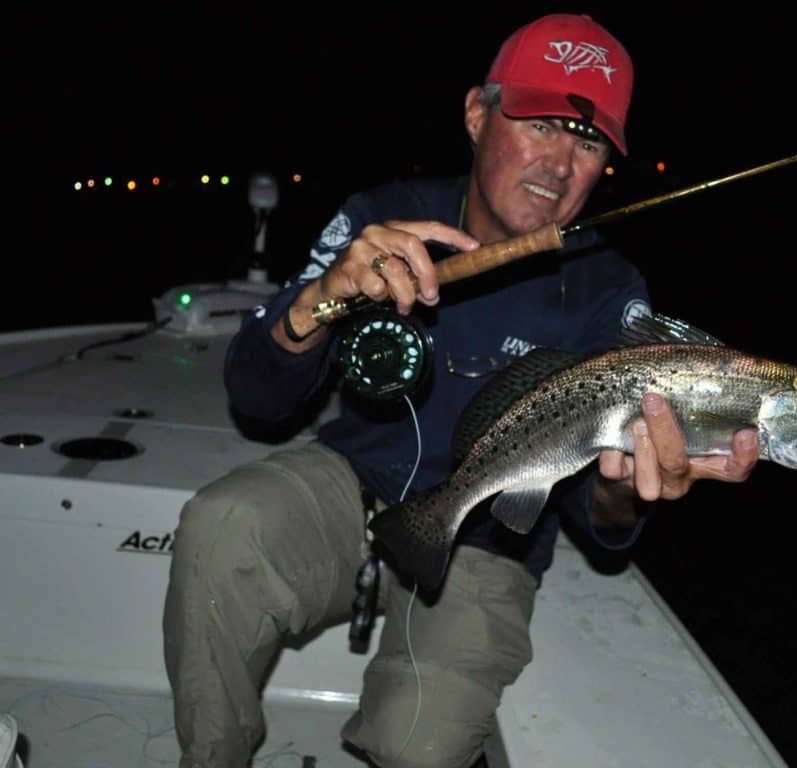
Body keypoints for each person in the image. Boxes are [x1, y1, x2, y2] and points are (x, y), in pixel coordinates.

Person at [162, 12, 759, 768]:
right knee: (222, 524)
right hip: (355, 482)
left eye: (588, 142)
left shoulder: (611, 289)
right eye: (540, 126)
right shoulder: (378, 216)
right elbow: (256, 396)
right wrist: (316, 305)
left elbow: (600, 520)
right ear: (478, 115)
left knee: (419, 744)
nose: (560, 164)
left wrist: (631, 486)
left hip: (489, 533)